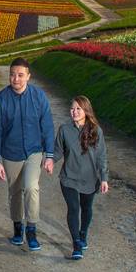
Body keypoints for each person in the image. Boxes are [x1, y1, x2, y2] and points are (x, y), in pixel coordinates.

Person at [0, 57, 55, 251]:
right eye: (12, 75)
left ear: (28, 76)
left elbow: (48, 127)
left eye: (20, 75)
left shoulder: (39, 97)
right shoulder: (0, 100)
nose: (15, 79)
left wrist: (49, 155)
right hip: (10, 154)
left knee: (31, 187)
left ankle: (31, 231)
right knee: (15, 191)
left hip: (34, 152)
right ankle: (18, 228)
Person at [45, 95, 109, 260]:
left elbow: (102, 157)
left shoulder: (96, 131)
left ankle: (83, 233)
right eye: (72, 108)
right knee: (73, 209)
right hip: (69, 178)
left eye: (78, 109)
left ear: (86, 111)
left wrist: (104, 178)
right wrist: (51, 160)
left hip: (90, 179)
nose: (74, 112)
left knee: (86, 209)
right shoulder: (64, 130)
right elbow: (58, 150)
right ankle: (76, 245)